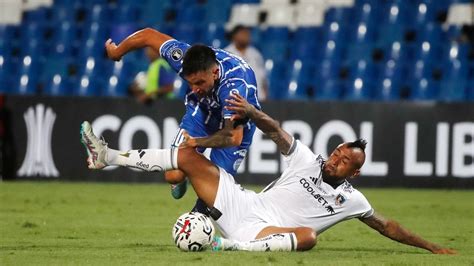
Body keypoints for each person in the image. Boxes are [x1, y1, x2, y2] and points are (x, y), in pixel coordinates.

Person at [80, 93, 456, 254]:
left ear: (353, 174)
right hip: (242, 205)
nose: (337, 157)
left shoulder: (352, 201)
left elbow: (387, 226)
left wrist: (433, 248)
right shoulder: (306, 158)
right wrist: (252, 111)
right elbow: (276, 131)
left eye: (346, 161)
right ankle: (107, 155)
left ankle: (225, 247)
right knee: (190, 154)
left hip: (264, 233)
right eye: (339, 150)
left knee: (308, 238)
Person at [104, 28, 261, 213]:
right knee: (173, 175)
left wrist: (197, 142)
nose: (194, 89)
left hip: (237, 125)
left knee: (216, 193)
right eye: (190, 82)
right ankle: (186, 177)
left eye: (200, 83)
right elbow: (148, 35)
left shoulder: (235, 88)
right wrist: (117, 51)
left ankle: (197, 219)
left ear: (215, 73)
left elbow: (232, 137)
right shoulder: (182, 57)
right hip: (202, 112)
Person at [225, 25, 268, 101]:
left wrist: (265, 95)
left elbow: (263, 78)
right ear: (234, 36)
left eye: (248, 34)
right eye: (243, 33)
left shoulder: (255, 54)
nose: (247, 36)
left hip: (258, 99)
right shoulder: (226, 54)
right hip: (236, 100)